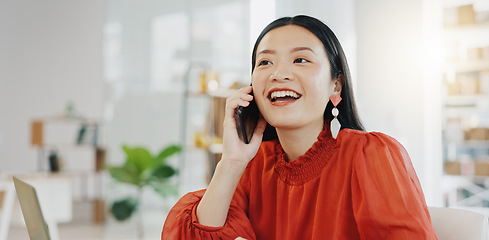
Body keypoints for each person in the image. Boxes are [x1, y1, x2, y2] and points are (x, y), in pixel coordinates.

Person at [162, 15, 438, 240]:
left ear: (336, 84)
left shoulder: (371, 155)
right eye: (265, 62)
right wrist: (231, 162)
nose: (278, 73)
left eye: (301, 60)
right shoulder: (250, 168)